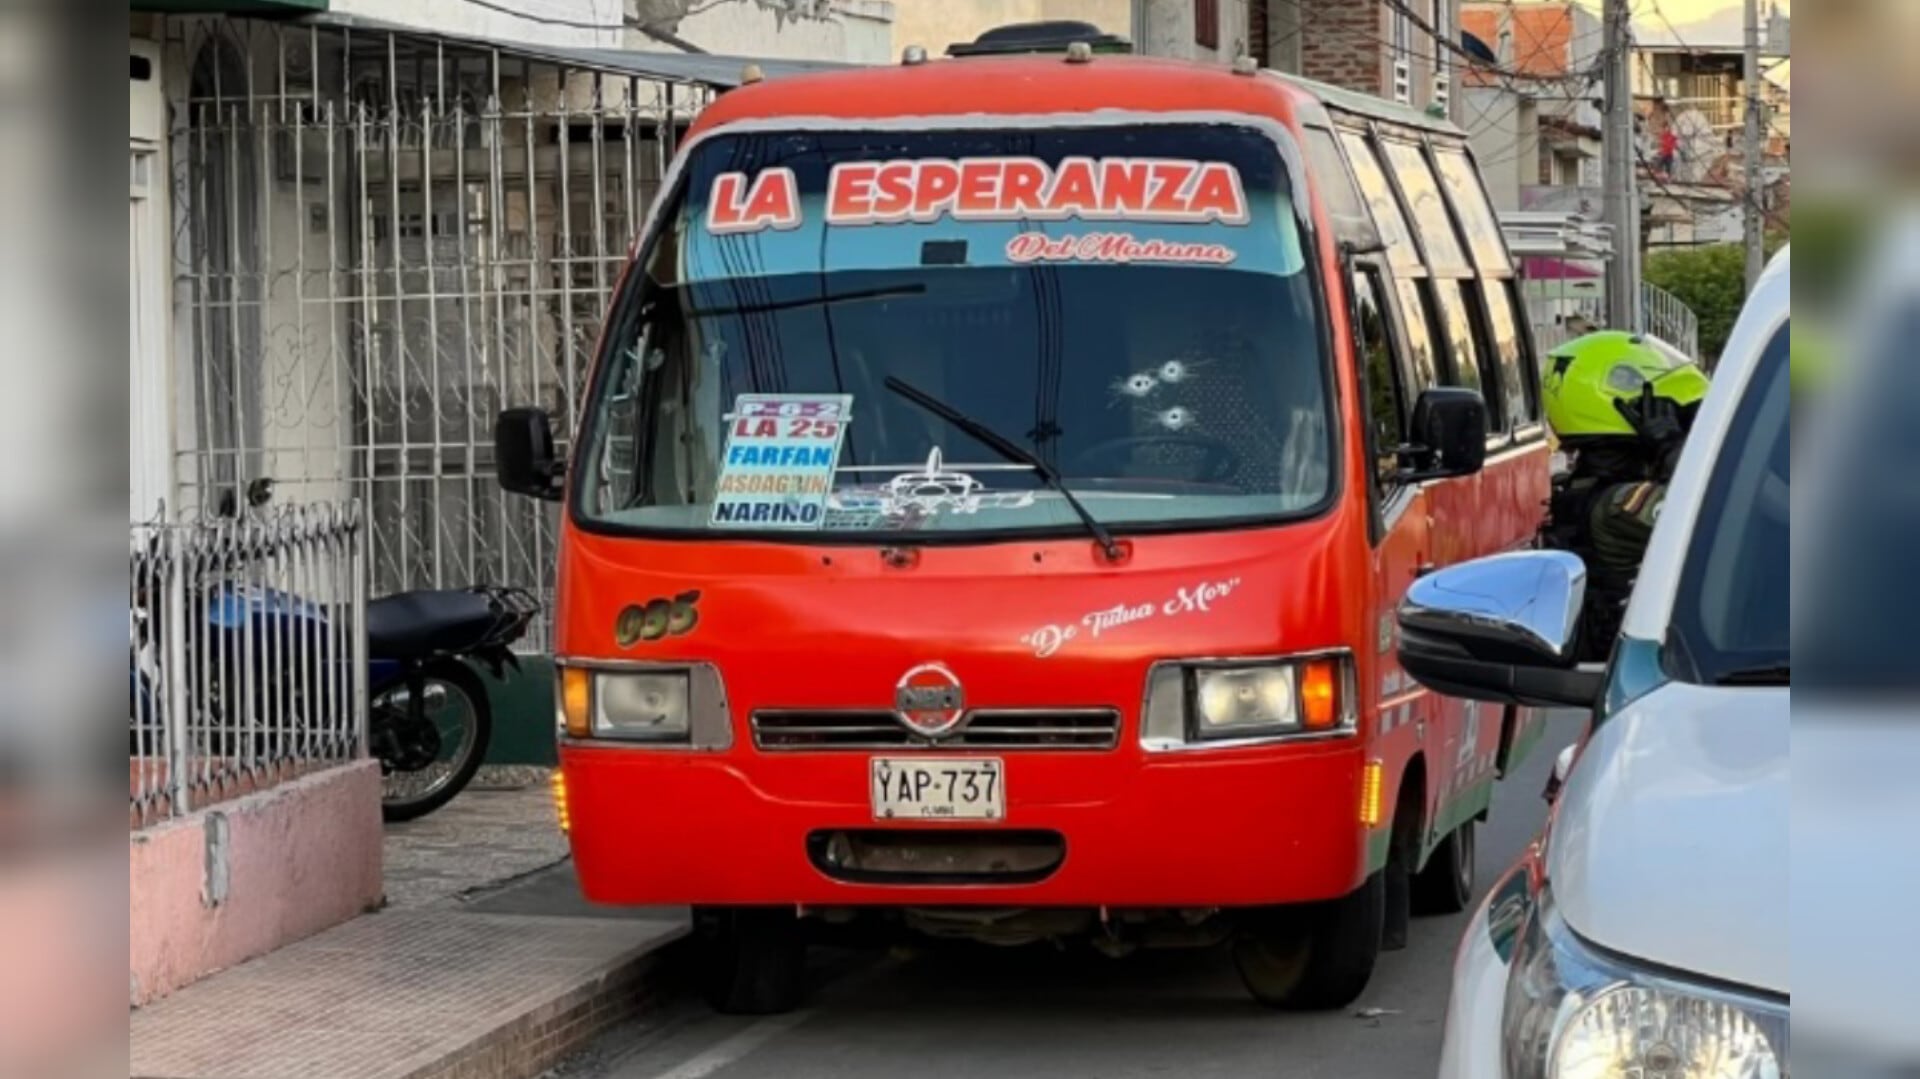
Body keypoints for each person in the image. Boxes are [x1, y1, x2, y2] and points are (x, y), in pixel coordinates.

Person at [1538, 331, 1710, 660]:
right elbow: (1719, 513)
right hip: (1658, 672)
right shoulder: (1619, 505)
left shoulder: (1593, 487)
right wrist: (1671, 447)